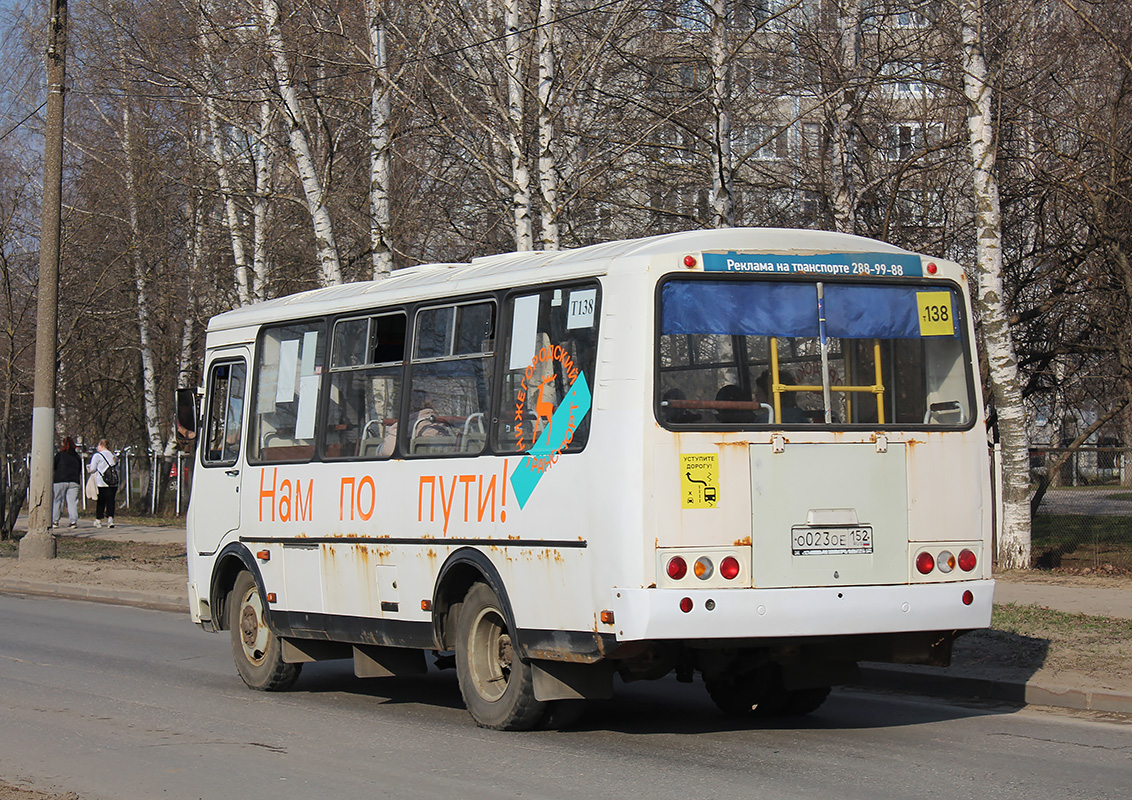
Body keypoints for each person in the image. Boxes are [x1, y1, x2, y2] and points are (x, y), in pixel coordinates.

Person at [52, 436, 82, 528]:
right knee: (72, 502)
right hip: (74, 481)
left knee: (58, 501)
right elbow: (79, 469)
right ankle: (73, 521)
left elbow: (54, 466)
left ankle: (55, 521)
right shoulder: (76, 457)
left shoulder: (60, 455)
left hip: (60, 480)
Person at [88, 439, 119, 529]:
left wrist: (89, 469)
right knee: (111, 501)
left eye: (98, 445)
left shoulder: (97, 456)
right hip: (113, 482)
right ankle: (110, 519)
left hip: (102, 481)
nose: (97, 447)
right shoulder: (113, 456)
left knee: (101, 501)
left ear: (101, 445)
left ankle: (99, 519)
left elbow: (93, 468)